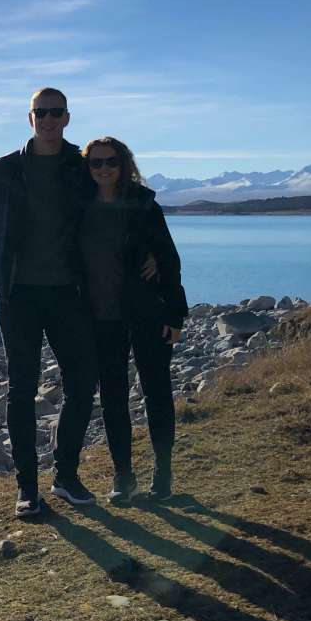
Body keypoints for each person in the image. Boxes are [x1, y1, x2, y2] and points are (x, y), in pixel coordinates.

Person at [0, 88, 102, 518]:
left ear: (67, 118)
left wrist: (150, 250)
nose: (48, 119)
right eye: (40, 112)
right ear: (30, 118)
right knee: (22, 389)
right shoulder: (4, 169)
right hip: (17, 294)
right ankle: (27, 487)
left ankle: (66, 476)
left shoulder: (80, 168)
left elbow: (117, 206)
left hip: (70, 292)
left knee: (82, 383)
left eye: (55, 112)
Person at [79, 136, 188, 504]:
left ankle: (163, 473)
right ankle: (123, 477)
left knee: (157, 391)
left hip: (147, 312)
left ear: (123, 165)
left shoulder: (143, 204)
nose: (104, 168)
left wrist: (176, 313)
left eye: (111, 162)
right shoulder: (78, 206)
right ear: (87, 166)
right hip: (101, 316)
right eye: (96, 163)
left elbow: (169, 259)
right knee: (113, 397)